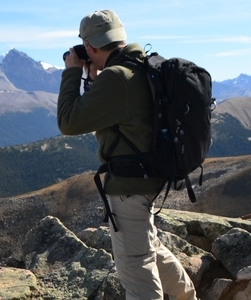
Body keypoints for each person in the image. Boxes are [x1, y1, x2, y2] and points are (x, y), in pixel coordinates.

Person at [57, 9, 198, 300]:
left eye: (86, 48)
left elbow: (68, 122)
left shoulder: (117, 77)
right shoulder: (139, 66)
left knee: (135, 267)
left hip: (129, 188)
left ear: (92, 47)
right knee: (149, 248)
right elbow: (118, 111)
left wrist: (72, 72)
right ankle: (187, 297)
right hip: (148, 178)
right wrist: (95, 76)